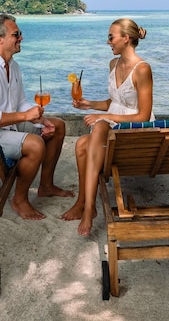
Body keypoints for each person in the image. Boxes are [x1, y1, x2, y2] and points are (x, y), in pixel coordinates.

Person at [0, 13, 73, 220]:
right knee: (35, 145)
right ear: (0, 39)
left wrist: (41, 120)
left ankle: (46, 186)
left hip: (5, 128)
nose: (21, 37)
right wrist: (25, 115)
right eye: (16, 34)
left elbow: (20, 102)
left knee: (57, 126)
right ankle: (19, 199)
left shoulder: (13, 66)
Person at [61, 18, 154, 236]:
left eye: (111, 37)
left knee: (101, 126)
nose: (108, 41)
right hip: (113, 128)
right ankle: (83, 202)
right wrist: (89, 104)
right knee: (81, 145)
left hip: (133, 133)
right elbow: (115, 102)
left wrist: (105, 117)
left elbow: (143, 116)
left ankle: (88, 209)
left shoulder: (142, 69)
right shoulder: (113, 64)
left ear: (126, 38)